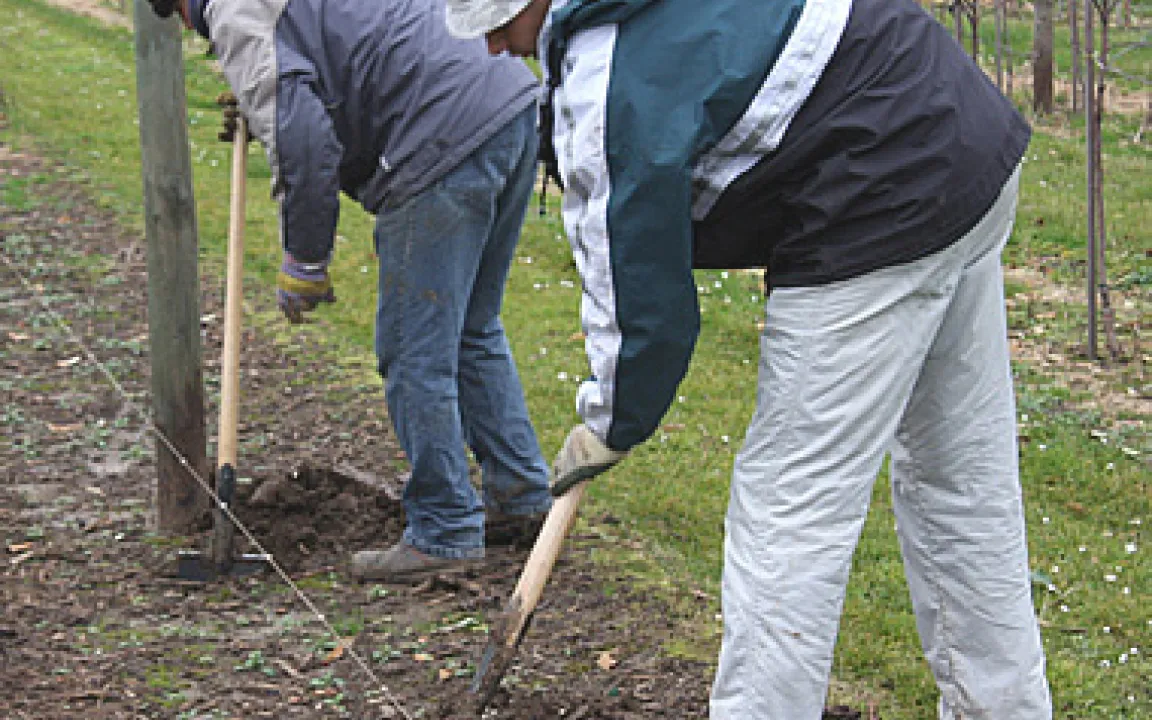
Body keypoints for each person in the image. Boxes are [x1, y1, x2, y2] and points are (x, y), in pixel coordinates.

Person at [447, 0, 1053, 717]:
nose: (490, 49)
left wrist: (609, 421)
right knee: (961, 481)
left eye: (494, 26)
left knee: (789, 508)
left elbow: (634, 291)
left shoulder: (607, 70)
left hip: (879, 186)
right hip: (956, 126)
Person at [145, 0, 554, 582]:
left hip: (438, 134)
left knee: (414, 349)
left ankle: (444, 530)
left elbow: (304, 139)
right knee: (470, 327)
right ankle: (519, 495)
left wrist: (306, 259)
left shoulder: (231, 10)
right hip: (505, 101)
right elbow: (324, 61)